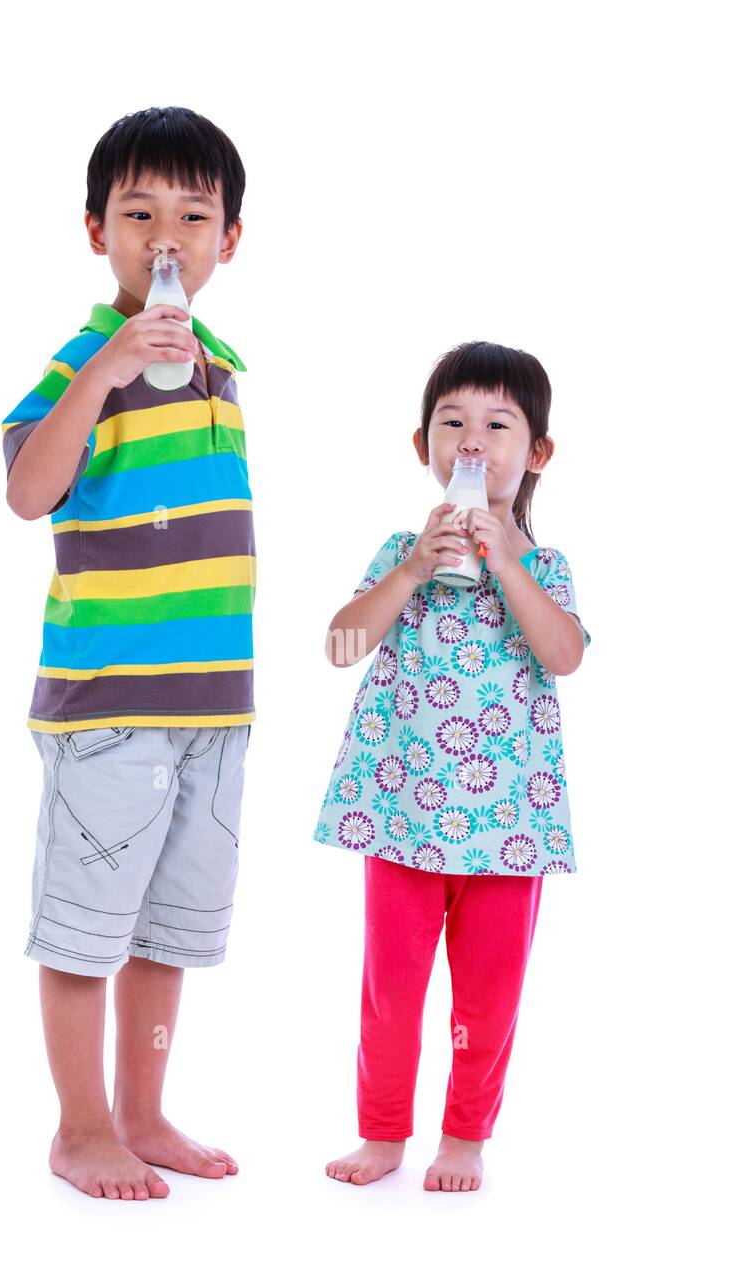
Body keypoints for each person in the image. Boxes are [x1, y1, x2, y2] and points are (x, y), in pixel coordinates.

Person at [1, 107, 254, 1201]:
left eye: (191, 218)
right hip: (109, 705)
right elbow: (25, 492)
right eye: (139, 214)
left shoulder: (222, 365)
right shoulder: (78, 364)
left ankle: (143, 1113)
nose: (166, 239)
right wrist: (101, 367)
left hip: (213, 706)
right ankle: (80, 1127)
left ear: (227, 241)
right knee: (85, 932)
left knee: (166, 929)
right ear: (97, 228)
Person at [313, 341, 592, 1192]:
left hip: (508, 828)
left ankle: (465, 1136)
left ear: (536, 453)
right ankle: (383, 1131)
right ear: (423, 447)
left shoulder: (543, 567)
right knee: (389, 989)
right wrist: (409, 567)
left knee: (489, 995)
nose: (472, 442)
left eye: (498, 425)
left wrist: (503, 559)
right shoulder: (405, 551)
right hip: (400, 815)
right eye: (453, 423)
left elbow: (564, 653)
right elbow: (341, 644)